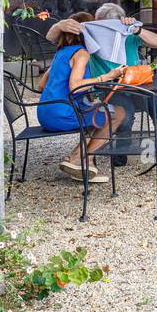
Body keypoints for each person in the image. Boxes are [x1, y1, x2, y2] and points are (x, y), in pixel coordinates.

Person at [46, 4, 157, 162]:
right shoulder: (91, 37)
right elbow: (51, 37)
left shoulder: (129, 34)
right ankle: (120, 151)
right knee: (125, 114)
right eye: (100, 25)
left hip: (138, 83)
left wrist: (137, 29)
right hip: (108, 88)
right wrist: (58, 25)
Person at [35, 11, 128, 183]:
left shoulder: (61, 53)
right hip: (61, 114)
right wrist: (106, 77)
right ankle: (80, 156)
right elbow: (75, 85)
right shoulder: (82, 53)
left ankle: (87, 163)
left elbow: (41, 85)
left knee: (97, 113)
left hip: (44, 113)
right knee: (118, 113)